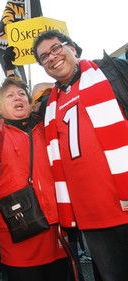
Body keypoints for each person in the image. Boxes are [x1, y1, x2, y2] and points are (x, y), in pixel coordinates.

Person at [33, 29, 128, 281]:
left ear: (73, 48)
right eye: (44, 57)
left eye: (56, 48)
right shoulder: (48, 108)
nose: (52, 57)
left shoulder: (111, 72)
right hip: (92, 216)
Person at [0, 77, 68, 281]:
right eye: (10, 95)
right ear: (0, 107)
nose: (18, 98)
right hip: (17, 231)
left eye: (22, 94)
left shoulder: (46, 127)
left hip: (57, 229)